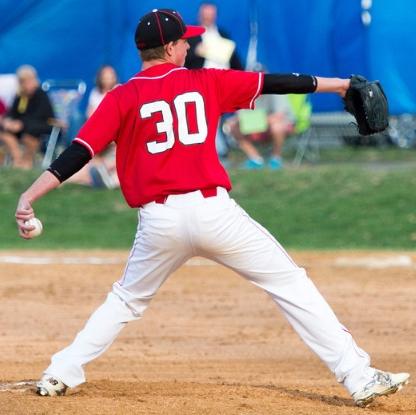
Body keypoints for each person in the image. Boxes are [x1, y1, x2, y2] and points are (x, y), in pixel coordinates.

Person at [15, 9, 409, 407]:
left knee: (125, 301)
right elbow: (275, 82)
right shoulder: (206, 81)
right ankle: (359, 377)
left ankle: (60, 373)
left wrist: (30, 195)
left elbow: (79, 152)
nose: (190, 45)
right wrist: (340, 84)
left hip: (160, 221)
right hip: (214, 214)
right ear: (169, 48)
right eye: (184, 40)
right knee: (290, 284)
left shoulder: (122, 96)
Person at [185, 2, 243, 162]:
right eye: (205, 14)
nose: (208, 17)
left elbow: (234, 57)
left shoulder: (223, 34)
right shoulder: (192, 35)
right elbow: (183, 60)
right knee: (207, 116)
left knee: (216, 116)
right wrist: (196, 52)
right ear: (200, 15)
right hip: (201, 81)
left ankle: (217, 149)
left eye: (211, 14)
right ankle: (216, 150)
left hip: (223, 81)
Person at [67, 65, 119, 188]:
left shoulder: (118, 91)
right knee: (77, 119)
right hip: (99, 131)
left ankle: (97, 175)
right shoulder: (95, 93)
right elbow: (91, 116)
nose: (107, 80)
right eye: (105, 77)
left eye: (110, 77)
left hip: (112, 133)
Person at [0, 65, 54, 169]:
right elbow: (12, 113)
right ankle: (18, 159)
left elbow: (40, 115)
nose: (27, 84)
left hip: (40, 126)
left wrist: (21, 124)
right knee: (5, 133)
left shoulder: (40, 94)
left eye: (29, 81)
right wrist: (8, 121)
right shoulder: (21, 96)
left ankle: (27, 162)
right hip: (23, 126)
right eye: (23, 82)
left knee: (30, 133)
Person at [228, 92, 295, 169]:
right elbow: (241, 117)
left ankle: (276, 159)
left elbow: (279, 116)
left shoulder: (276, 91)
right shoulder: (245, 92)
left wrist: (256, 123)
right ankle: (256, 159)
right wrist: (255, 125)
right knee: (232, 125)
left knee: (277, 126)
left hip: (274, 129)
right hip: (254, 129)